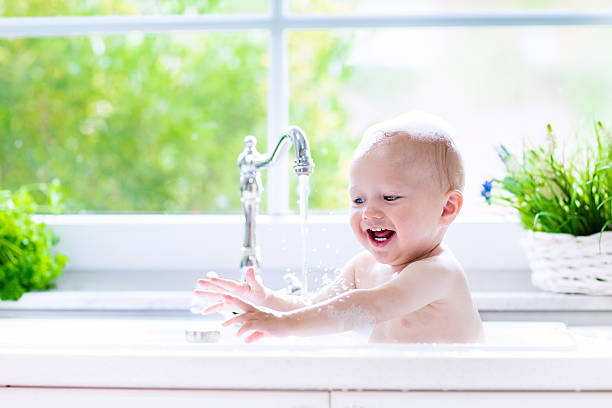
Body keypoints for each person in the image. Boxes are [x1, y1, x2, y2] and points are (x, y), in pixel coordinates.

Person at [194, 112, 484, 344]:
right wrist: (267, 301)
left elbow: (367, 307)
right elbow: (313, 309)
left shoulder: (437, 272)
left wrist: (283, 325)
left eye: (390, 197)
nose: (369, 211)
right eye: (358, 199)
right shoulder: (363, 267)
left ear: (446, 209)